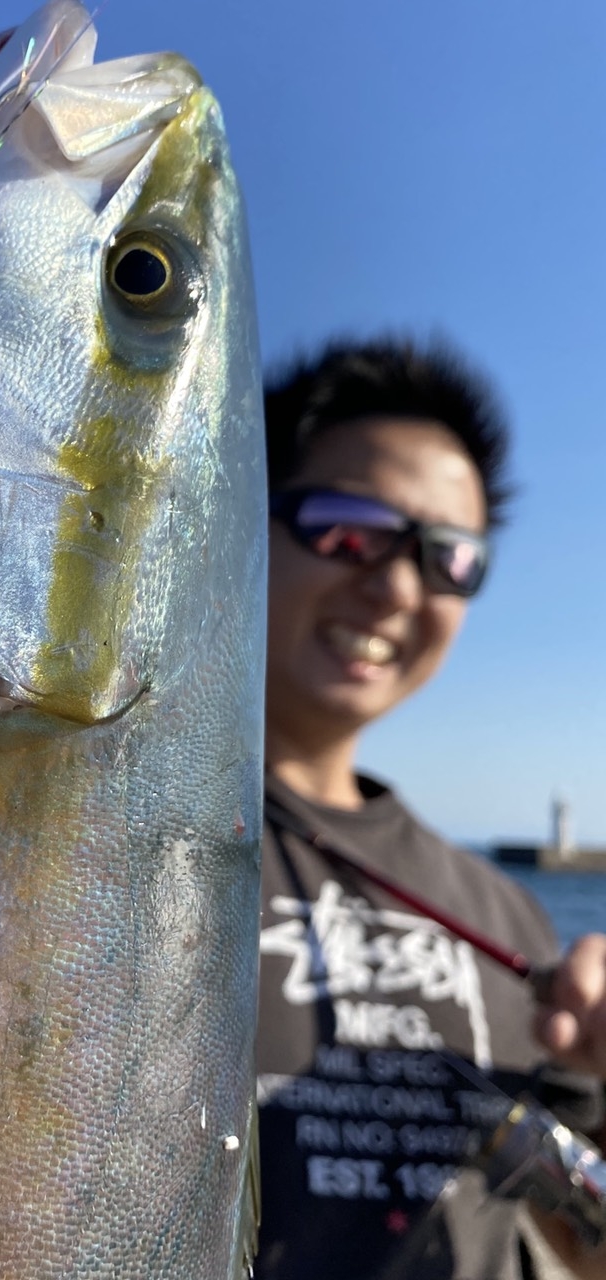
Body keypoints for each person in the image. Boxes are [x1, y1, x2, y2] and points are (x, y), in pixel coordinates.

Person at [254, 336, 606, 1280]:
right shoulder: (88, 841)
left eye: (450, 557)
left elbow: (581, 1246)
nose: (398, 586)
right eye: (348, 528)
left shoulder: (507, 913)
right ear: (240, 518)